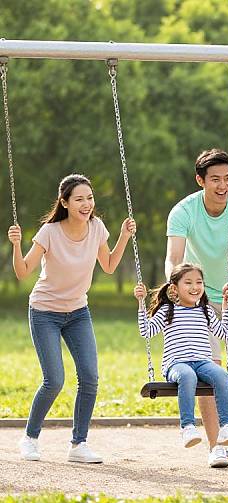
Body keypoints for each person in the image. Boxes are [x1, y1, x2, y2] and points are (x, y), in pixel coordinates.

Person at [7, 174, 136, 464]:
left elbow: (110, 265)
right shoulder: (49, 232)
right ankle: (29, 437)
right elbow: (23, 271)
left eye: (90, 198)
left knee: (90, 377)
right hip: (44, 312)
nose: (87, 204)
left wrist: (124, 236)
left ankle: (78, 444)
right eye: (79, 199)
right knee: (54, 380)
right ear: (65, 203)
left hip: (78, 312)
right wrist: (16, 245)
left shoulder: (97, 228)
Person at [165, 148, 228, 467]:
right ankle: (215, 444)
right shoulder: (184, 211)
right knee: (211, 373)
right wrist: (176, 285)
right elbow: (173, 257)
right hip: (199, 299)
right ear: (200, 180)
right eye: (216, 179)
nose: (223, 186)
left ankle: (221, 428)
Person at [134, 262, 228, 452]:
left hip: (202, 362)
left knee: (221, 376)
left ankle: (226, 427)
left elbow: (224, 333)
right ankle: (188, 427)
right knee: (187, 376)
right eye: (189, 283)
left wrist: (226, 307)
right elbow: (146, 331)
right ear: (174, 288)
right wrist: (141, 304)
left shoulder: (205, 311)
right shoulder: (168, 310)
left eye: (199, 282)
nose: (195, 287)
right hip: (176, 364)